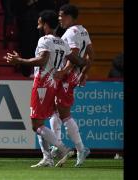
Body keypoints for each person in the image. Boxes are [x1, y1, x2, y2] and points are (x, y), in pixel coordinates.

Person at [4, 10, 87, 167]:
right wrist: (84, 71)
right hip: (54, 85)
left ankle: (63, 149)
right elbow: (78, 61)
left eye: (40, 22)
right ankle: (47, 158)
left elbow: (43, 60)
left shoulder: (44, 40)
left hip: (42, 84)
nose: (38, 25)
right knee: (41, 121)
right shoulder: (62, 42)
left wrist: (19, 60)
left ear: (46, 24)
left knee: (36, 124)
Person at [49, 4, 94, 167]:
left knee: (64, 113)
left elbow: (73, 54)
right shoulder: (83, 30)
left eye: (61, 15)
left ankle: (81, 149)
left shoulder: (71, 32)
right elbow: (91, 54)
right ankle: (57, 144)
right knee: (54, 108)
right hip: (72, 75)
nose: (59, 18)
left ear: (69, 16)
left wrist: (64, 71)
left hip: (67, 76)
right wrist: (84, 73)